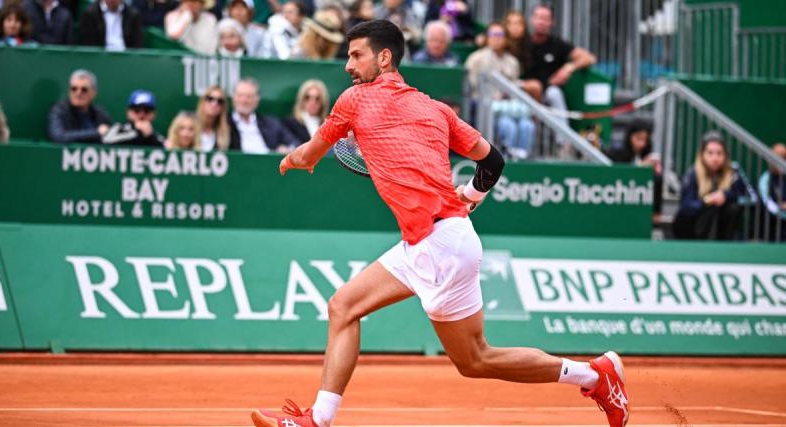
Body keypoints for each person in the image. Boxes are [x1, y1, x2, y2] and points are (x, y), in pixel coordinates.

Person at [250, 19, 629, 427]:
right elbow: (493, 161)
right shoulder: (436, 109)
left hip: (439, 244)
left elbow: (309, 156)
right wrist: (468, 196)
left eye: (356, 55)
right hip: (439, 238)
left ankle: (593, 375)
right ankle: (595, 375)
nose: (348, 65)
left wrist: (290, 160)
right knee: (348, 308)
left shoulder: (354, 100)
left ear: (384, 57)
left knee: (474, 358)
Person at [465, 22, 535, 160]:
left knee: (527, 125)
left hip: (508, 106)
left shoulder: (513, 62)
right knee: (507, 125)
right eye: (493, 34)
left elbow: (515, 89)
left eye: (500, 35)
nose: (497, 38)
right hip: (485, 110)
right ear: (487, 37)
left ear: (506, 39)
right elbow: (471, 88)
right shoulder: (475, 59)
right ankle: (506, 158)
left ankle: (522, 159)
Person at [523, 4, 595, 128]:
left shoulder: (557, 44)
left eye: (545, 18)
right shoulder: (522, 42)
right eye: (538, 17)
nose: (541, 22)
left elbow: (589, 58)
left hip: (547, 93)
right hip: (523, 92)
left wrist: (568, 68)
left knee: (554, 93)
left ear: (552, 22)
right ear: (531, 19)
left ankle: (563, 142)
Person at [673, 131, 747, 240]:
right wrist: (707, 200)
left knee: (731, 208)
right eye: (710, 153)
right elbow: (685, 206)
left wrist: (725, 196)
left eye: (719, 153)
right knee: (709, 208)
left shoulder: (733, 173)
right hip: (693, 228)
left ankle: (725, 245)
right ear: (702, 155)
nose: (715, 158)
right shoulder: (692, 174)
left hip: (722, 229)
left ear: (725, 155)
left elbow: (749, 197)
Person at [606, 119, 662, 216]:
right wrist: (640, 167)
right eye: (638, 138)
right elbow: (617, 176)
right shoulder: (617, 153)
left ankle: (655, 214)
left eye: (645, 139)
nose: (641, 144)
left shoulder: (647, 155)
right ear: (630, 136)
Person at [228, 78, 299, 154]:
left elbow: (295, 144)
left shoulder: (271, 124)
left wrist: (287, 149)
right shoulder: (224, 123)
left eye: (249, 97)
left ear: (257, 99)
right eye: (240, 96)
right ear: (234, 98)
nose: (244, 100)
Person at [48, 69, 113, 143]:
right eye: (74, 89)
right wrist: (96, 133)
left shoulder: (100, 113)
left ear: (93, 93)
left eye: (84, 90)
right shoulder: (59, 110)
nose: (78, 93)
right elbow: (59, 136)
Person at [502, 10, 541, 101]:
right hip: (504, 83)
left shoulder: (530, 46)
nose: (516, 27)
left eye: (519, 24)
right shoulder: (500, 44)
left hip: (521, 84)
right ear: (505, 26)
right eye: (512, 24)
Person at [79, 0, 144, 50]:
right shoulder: (89, 14)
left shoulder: (133, 15)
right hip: (99, 59)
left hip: (126, 59)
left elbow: (137, 46)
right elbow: (88, 46)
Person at [195, 85, 231, 151]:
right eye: (210, 99)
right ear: (202, 102)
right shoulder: (190, 125)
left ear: (223, 108)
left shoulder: (226, 131)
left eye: (220, 101)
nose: (214, 104)